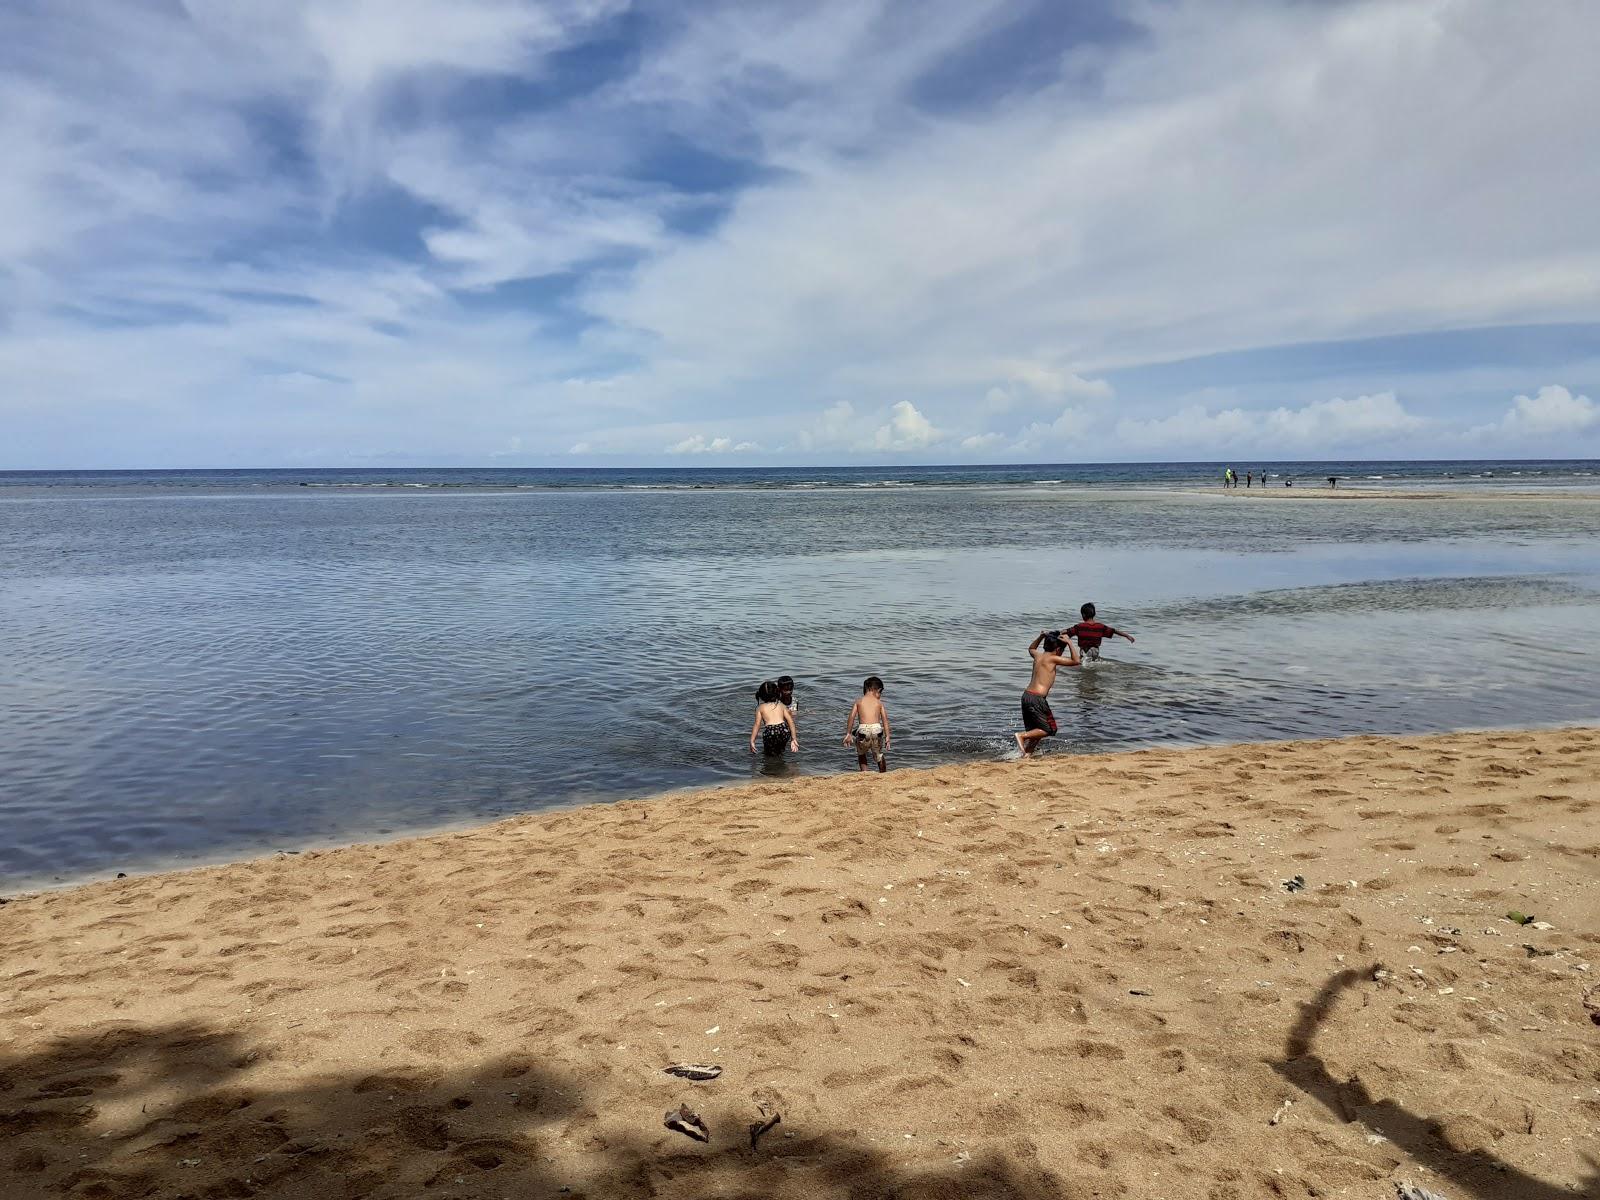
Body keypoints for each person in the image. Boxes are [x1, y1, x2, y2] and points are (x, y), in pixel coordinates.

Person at [1014, 630, 1079, 756]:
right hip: (1037, 699)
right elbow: (1076, 661)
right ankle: (1021, 736)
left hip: (1026, 696)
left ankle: (1027, 754)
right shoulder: (1053, 658)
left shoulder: (1038, 655)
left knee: (1036, 731)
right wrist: (1070, 642)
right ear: (1058, 649)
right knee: (1049, 729)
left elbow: (1031, 648)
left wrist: (1040, 636)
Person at [843, 675, 891, 773]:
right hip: (876, 730)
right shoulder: (879, 703)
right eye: (880, 693)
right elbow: (885, 720)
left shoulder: (858, 702)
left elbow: (851, 717)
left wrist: (848, 733)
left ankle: (865, 773)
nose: (880, 695)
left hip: (862, 730)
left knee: (861, 754)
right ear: (877, 690)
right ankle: (883, 774)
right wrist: (887, 737)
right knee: (878, 755)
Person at [1064, 602, 1136, 663]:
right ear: (1094, 614)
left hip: (1085, 650)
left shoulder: (1079, 627)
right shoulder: (1100, 627)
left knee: (1084, 664)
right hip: (1096, 651)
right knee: (1093, 664)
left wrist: (1058, 633)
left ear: (1083, 615)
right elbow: (1114, 631)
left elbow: (1067, 631)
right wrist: (1127, 635)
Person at [750, 680, 798, 757]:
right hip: (784, 730)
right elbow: (791, 722)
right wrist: (793, 739)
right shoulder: (781, 705)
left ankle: (771, 765)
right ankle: (780, 762)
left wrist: (752, 741)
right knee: (780, 750)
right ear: (777, 692)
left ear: (761, 695)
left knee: (768, 753)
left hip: (770, 730)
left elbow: (757, 725)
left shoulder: (760, 708)